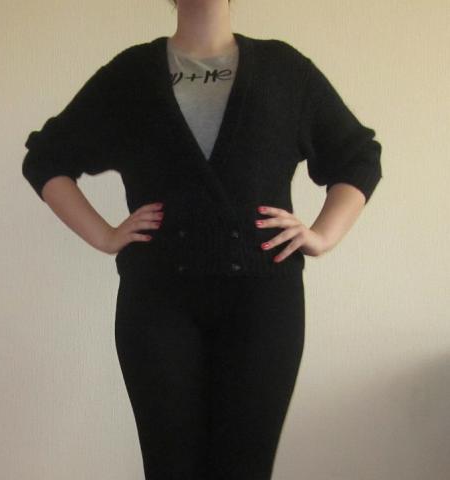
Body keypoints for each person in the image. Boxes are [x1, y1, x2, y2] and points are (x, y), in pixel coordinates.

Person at [21, 0, 383, 478]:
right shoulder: (130, 76)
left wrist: (322, 235)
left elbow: (358, 156)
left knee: (244, 469)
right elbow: (46, 158)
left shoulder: (284, 71)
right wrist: (105, 236)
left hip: (263, 303)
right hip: (157, 303)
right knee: (170, 468)